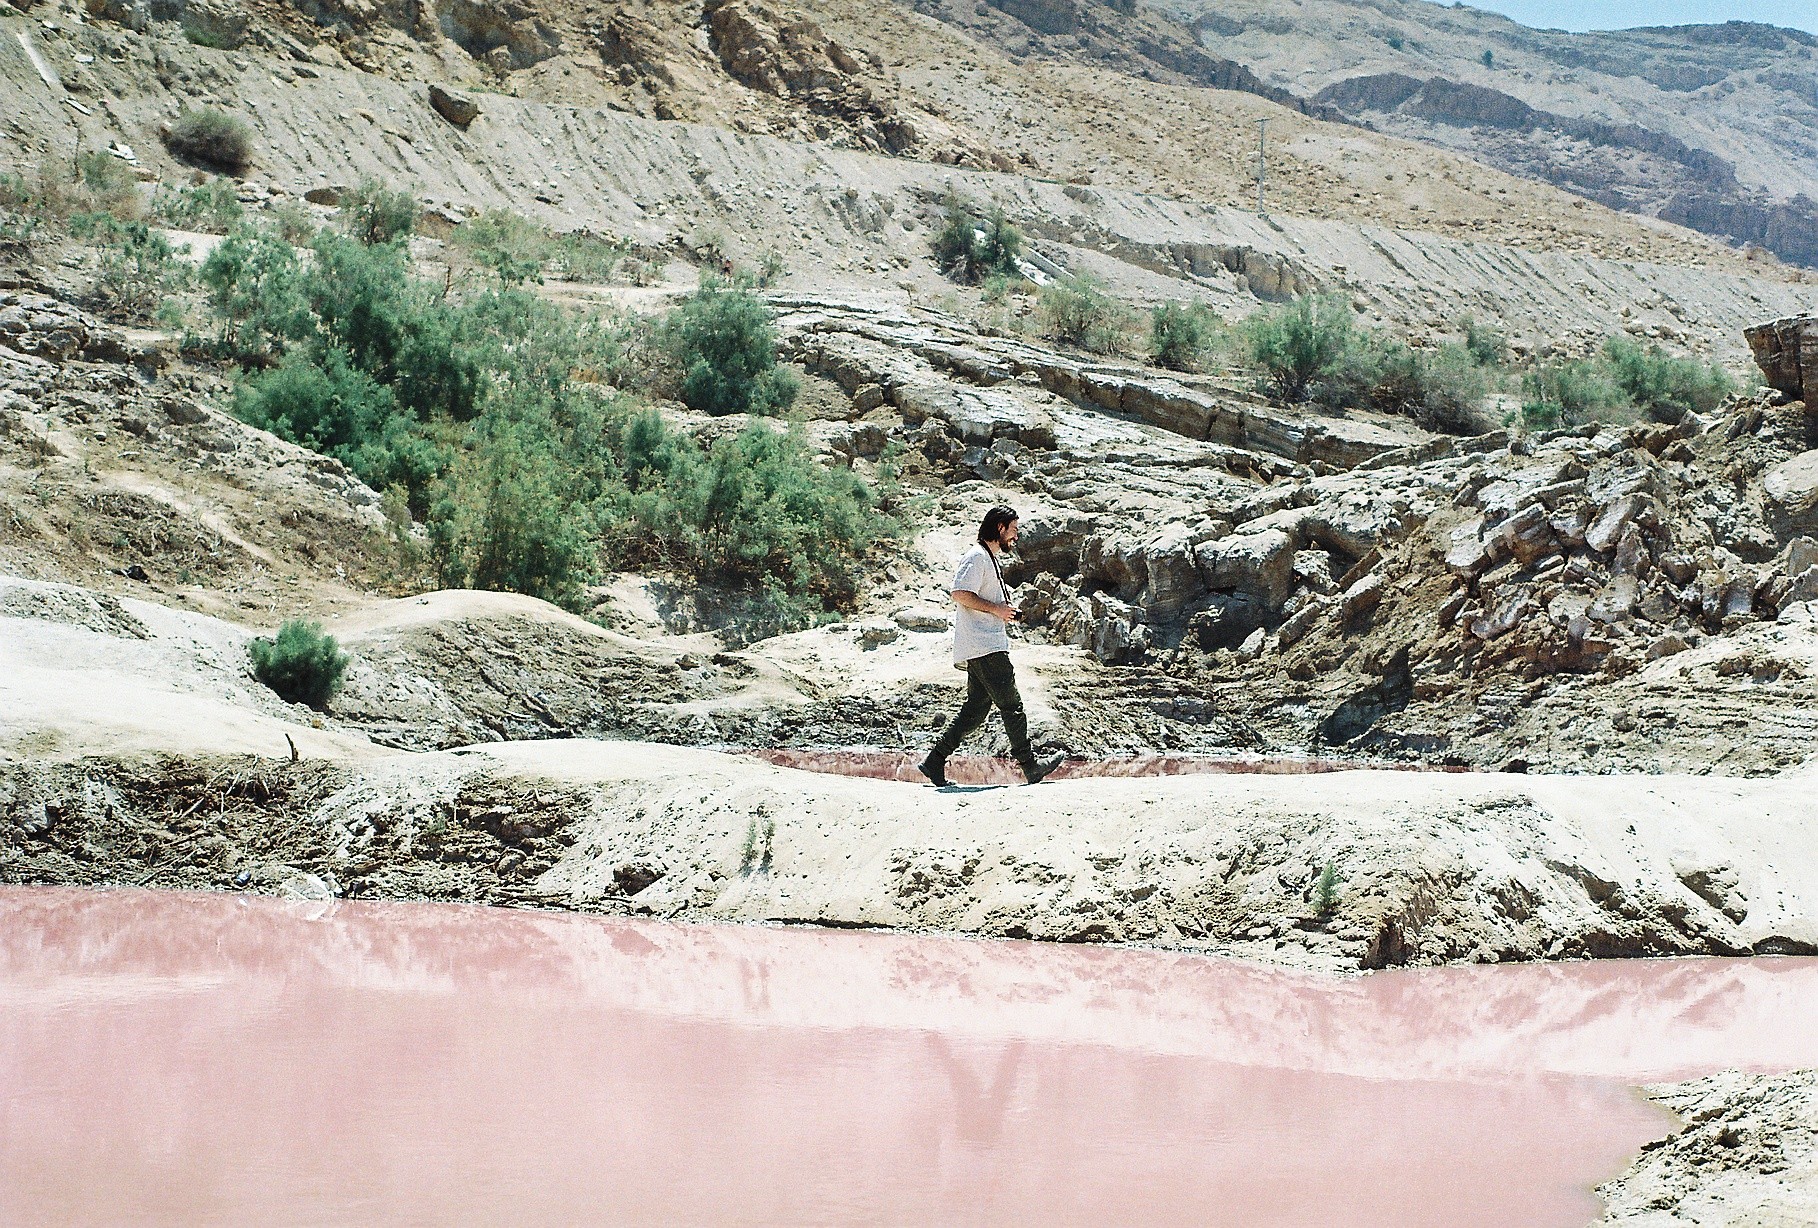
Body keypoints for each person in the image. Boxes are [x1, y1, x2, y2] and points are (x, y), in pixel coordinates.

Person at [918, 506, 1064, 787]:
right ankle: (1031, 766)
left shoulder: (987, 558)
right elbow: (959, 593)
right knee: (1012, 705)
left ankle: (934, 761)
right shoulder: (977, 557)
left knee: (974, 711)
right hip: (985, 646)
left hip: (982, 645)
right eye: (1014, 530)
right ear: (1000, 528)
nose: (1016, 536)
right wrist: (996, 610)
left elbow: (980, 598)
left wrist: (1003, 611)